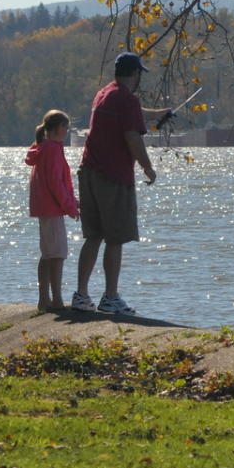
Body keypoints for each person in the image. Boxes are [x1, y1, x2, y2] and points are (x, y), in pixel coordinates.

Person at [72, 52, 172, 315]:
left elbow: (133, 114)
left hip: (89, 170)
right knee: (115, 238)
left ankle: (81, 295)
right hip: (113, 175)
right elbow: (132, 137)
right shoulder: (127, 99)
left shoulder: (104, 93)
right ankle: (111, 297)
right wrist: (148, 167)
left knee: (93, 236)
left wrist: (158, 114)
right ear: (136, 73)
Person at [25, 109, 80, 312]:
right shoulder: (53, 149)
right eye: (66, 127)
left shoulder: (42, 147)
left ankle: (44, 299)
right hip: (52, 208)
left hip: (45, 207)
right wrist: (70, 207)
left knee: (48, 254)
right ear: (58, 128)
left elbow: (54, 182)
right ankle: (56, 300)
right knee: (57, 255)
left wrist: (72, 201)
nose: (67, 131)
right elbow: (56, 183)